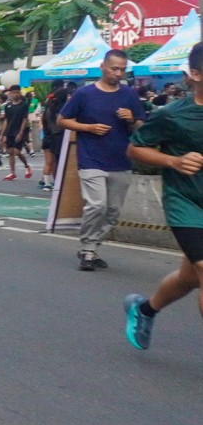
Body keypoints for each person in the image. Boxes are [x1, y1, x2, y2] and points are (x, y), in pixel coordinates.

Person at [124, 41, 203, 349]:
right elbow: (135, 149)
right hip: (187, 202)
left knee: (189, 276)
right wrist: (174, 161)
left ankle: (144, 310)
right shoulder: (172, 115)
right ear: (195, 74)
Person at [58, 50, 147, 271]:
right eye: (114, 68)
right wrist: (87, 127)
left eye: (122, 69)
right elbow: (62, 120)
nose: (118, 73)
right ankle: (87, 249)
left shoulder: (129, 94)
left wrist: (132, 119)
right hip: (91, 158)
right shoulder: (84, 94)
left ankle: (92, 247)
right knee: (97, 205)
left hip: (121, 159)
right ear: (102, 67)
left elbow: (142, 127)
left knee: (113, 211)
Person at [41, 82, 70, 190]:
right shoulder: (62, 110)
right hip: (60, 136)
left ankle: (52, 182)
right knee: (60, 161)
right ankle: (59, 182)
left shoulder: (49, 108)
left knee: (53, 161)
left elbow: (44, 122)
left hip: (50, 135)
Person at [0, 88, 34, 180]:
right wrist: (2, 134)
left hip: (19, 130)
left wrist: (21, 132)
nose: (15, 94)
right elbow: (6, 120)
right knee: (10, 152)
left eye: (17, 92)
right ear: (10, 94)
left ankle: (27, 166)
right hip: (10, 131)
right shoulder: (8, 106)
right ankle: (12, 173)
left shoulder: (24, 105)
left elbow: (24, 119)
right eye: (13, 92)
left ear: (20, 93)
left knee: (17, 152)